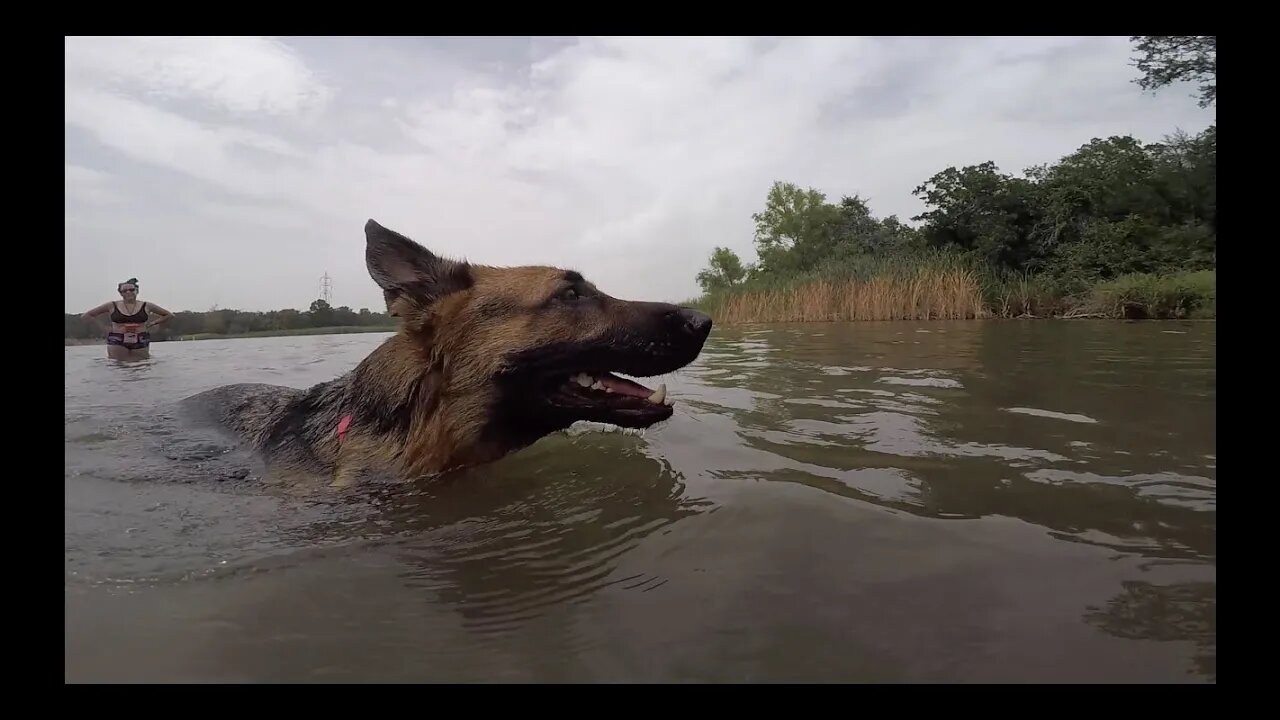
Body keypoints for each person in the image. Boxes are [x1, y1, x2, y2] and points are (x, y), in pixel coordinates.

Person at [81, 278, 173, 360]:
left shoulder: (147, 305)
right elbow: (87, 316)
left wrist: (153, 323)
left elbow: (169, 315)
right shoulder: (112, 305)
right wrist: (104, 328)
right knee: (118, 368)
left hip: (140, 338)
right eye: (124, 291)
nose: (128, 292)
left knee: (142, 367)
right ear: (120, 293)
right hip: (118, 339)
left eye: (131, 289)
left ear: (137, 291)